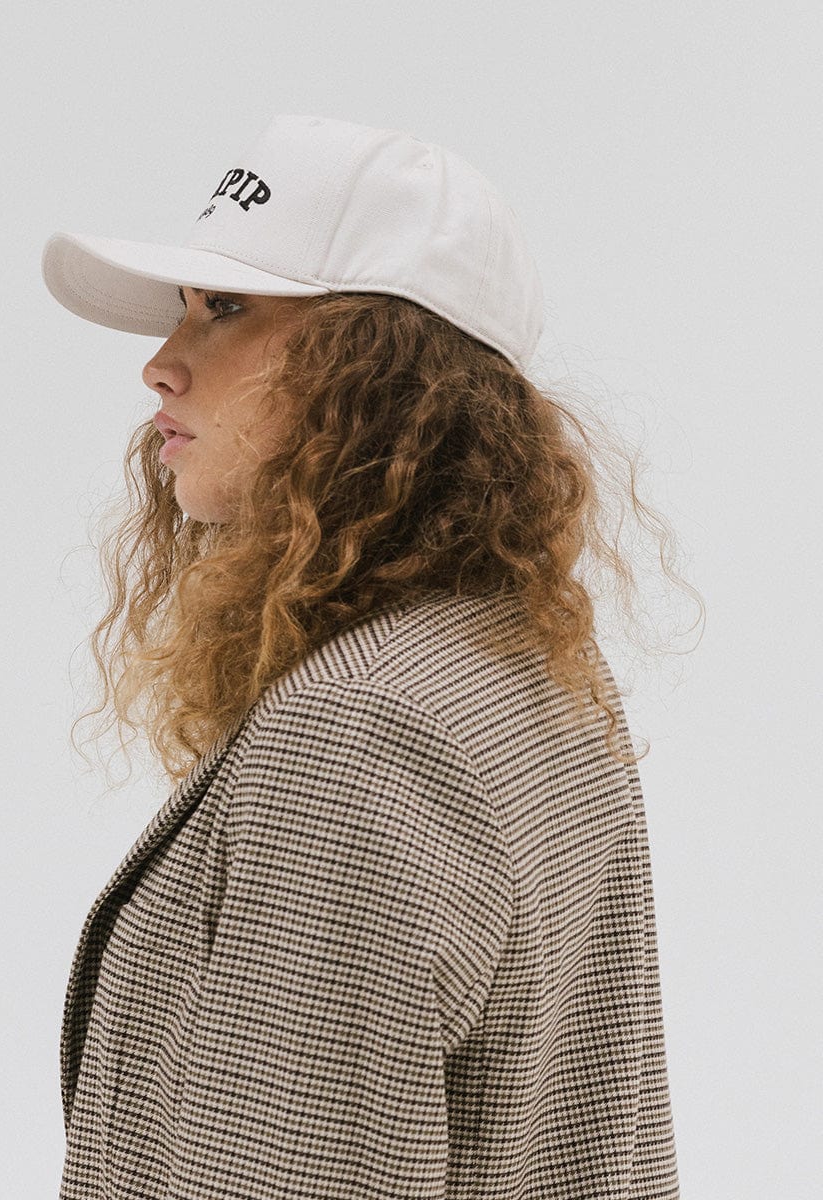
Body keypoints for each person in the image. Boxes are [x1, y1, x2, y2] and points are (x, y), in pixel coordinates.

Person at [41, 114, 688, 1199]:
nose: (161, 365)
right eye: (185, 311)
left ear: (376, 365)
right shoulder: (520, 669)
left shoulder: (355, 737)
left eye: (227, 310)